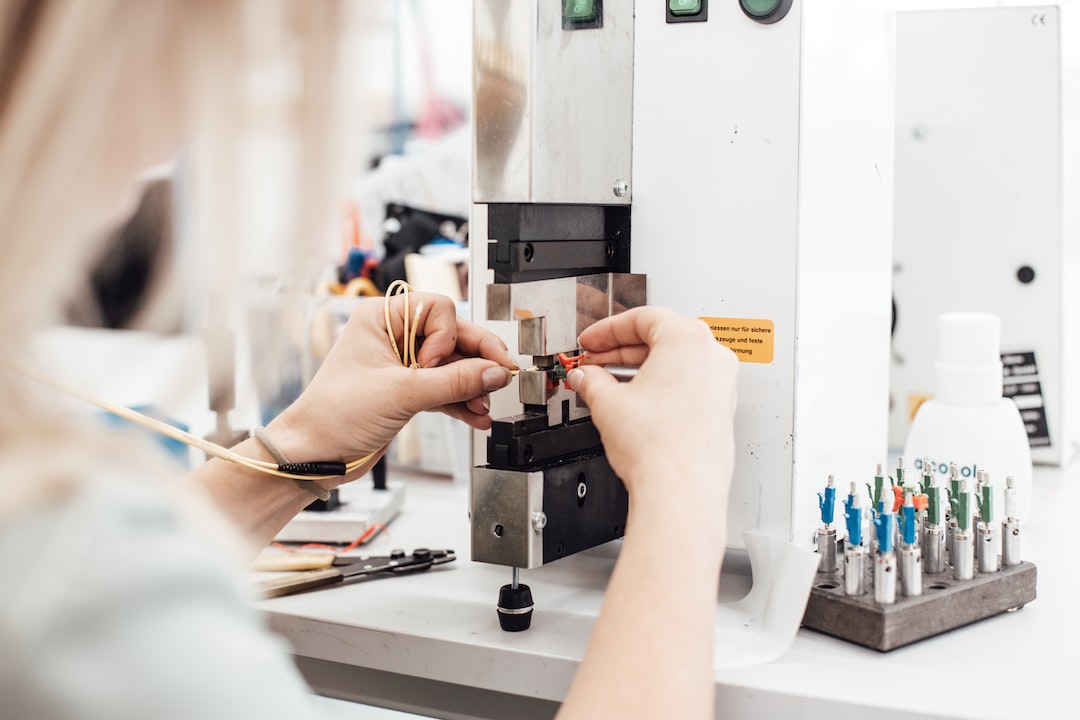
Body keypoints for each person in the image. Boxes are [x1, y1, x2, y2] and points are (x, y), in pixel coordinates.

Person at [0, 2, 739, 719]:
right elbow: (88, 595)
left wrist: (300, 448)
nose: (170, 128)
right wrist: (682, 481)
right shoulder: (52, 565)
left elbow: (120, 598)